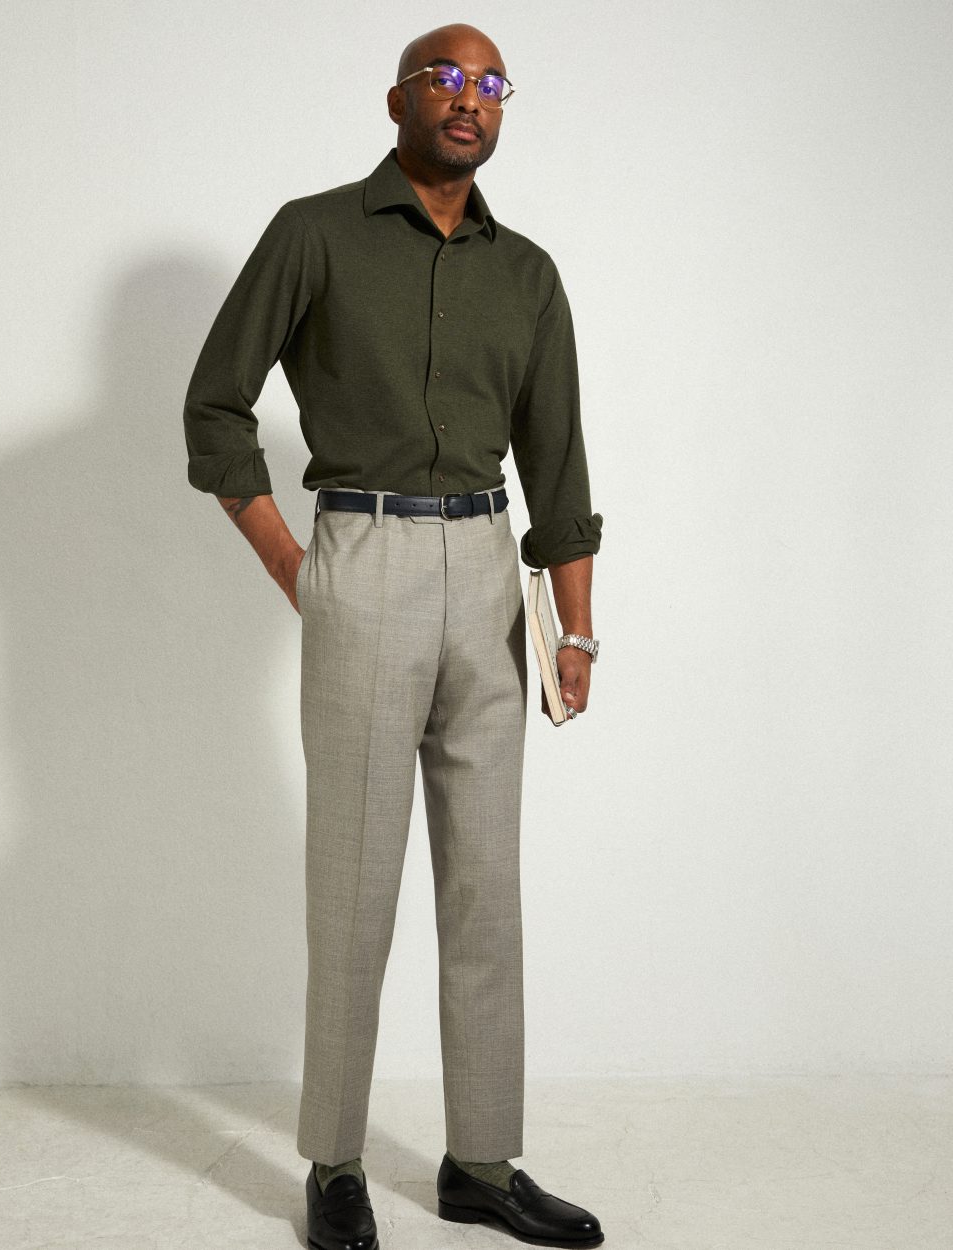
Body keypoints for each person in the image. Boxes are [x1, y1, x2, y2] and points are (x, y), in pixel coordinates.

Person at [183, 21, 604, 1250]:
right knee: (355, 885)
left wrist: (577, 631)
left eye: (490, 83)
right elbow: (215, 405)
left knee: (486, 887)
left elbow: (559, 465)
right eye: (445, 78)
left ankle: (482, 1159)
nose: (469, 99)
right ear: (397, 99)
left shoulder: (526, 273)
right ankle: (334, 1161)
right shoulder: (314, 233)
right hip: (361, 558)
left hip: (489, 571)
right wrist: (295, 564)